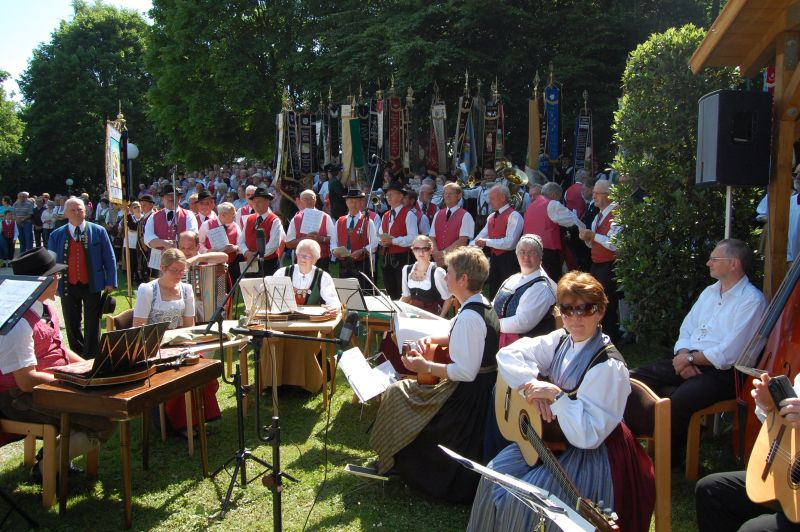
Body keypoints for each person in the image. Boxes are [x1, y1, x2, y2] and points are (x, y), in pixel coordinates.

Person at [467, 270, 655, 531]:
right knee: (493, 475)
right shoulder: (561, 340)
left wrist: (555, 396)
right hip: (551, 439)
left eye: (585, 309)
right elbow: (508, 354)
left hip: (593, 454)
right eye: (567, 310)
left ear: (600, 312)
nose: (575, 317)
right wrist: (530, 386)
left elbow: (588, 434)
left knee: (522, 501)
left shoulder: (608, 366)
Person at [368, 246, 500, 503]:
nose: (444, 276)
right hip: (467, 389)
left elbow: (465, 372)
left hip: (468, 399)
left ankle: (397, 459)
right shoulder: (477, 304)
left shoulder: (472, 316)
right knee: (398, 391)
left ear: (463, 279)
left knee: (399, 394)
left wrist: (424, 367)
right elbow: (452, 330)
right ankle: (393, 456)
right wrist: (427, 340)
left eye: (448, 272)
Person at [630, 238, 767, 465]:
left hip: (724, 374)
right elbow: (687, 329)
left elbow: (729, 353)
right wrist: (684, 356)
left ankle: (668, 461)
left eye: (714, 259)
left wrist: (689, 358)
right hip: (689, 358)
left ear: (733, 264)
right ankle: (634, 443)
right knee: (630, 379)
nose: (708, 263)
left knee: (677, 403)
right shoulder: (710, 292)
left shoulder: (751, 301)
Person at [0, 247, 115, 480]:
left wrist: (93, 368)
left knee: (108, 407)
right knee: (104, 420)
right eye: (56, 276)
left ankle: (55, 457)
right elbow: (26, 381)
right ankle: (45, 471)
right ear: (42, 281)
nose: (59, 279)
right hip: (18, 398)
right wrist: (73, 381)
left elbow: (60, 349)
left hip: (52, 385)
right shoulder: (18, 323)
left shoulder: (45, 308)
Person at [132, 248, 221, 436]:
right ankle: (179, 423)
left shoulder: (186, 289)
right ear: (163, 268)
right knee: (178, 370)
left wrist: (188, 346)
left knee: (201, 364)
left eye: (183, 271)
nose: (179, 275)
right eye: (175, 270)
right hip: (153, 345)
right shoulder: (148, 290)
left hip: (178, 342)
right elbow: (138, 328)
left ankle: (197, 417)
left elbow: (189, 326)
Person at [695, 373, 800, 532]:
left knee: (751, 530)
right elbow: (789, 423)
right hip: (790, 483)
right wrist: (770, 406)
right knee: (711, 490)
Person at [265, 239, 340, 392]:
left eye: (306, 256)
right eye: (299, 255)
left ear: (315, 258)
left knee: (301, 342)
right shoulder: (282, 272)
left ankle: (303, 386)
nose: (302, 259)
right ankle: (274, 383)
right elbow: (268, 293)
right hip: (284, 321)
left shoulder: (322, 276)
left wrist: (333, 308)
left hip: (310, 325)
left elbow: (334, 302)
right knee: (271, 339)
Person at [47, 197, 117, 358]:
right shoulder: (56, 234)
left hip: (92, 283)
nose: (77, 212)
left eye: (80, 209)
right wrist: (52, 284)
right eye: (73, 210)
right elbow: (50, 262)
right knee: (72, 322)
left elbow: (109, 257)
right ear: (65, 213)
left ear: (86, 211)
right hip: (67, 284)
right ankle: (77, 354)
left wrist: (110, 281)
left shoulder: (98, 231)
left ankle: (92, 354)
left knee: (93, 320)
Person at [492, 234, 557, 348]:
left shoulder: (541, 287)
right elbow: (494, 304)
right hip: (499, 337)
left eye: (532, 253)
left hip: (526, 348)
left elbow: (523, 323)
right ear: (516, 255)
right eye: (522, 252)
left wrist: (490, 323)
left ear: (540, 256)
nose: (526, 257)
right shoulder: (512, 279)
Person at [579, 178, 622, 341]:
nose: (594, 196)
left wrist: (593, 236)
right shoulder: (599, 216)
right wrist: (588, 239)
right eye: (594, 192)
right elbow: (595, 244)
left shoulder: (616, 213)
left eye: (598, 193)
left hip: (609, 264)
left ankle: (610, 335)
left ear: (609, 195)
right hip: (597, 263)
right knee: (595, 298)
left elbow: (614, 243)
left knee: (606, 301)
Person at [523, 182, 582, 282]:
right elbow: (573, 221)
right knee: (551, 283)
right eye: (559, 197)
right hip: (547, 252)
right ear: (555, 195)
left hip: (529, 250)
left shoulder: (530, 207)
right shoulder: (552, 204)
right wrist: (585, 229)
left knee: (535, 282)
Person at [470, 184, 523, 295]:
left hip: (509, 260)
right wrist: (467, 248)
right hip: (495, 259)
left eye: (492, 198)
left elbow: (510, 243)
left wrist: (486, 242)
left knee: (509, 292)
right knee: (494, 291)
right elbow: (480, 236)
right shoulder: (491, 217)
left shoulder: (514, 215)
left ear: (503, 198)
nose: (489, 201)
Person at [144, 185, 198, 275]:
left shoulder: (189, 215)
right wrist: (164, 243)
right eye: (167, 196)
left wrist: (175, 246)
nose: (171, 198)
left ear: (179, 198)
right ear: (162, 198)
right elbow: (148, 239)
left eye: (174, 196)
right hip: (159, 262)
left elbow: (192, 236)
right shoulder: (153, 217)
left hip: (182, 261)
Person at [379, 181, 418, 299]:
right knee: (390, 288)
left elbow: (413, 238)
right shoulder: (386, 215)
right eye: (387, 194)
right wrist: (382, 240)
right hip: (387, 258)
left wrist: (394, 241)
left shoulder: (409, 214)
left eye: (391, 194)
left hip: (402, 258)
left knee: (403, 290)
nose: (388, 197)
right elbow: (381, 233)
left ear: (401, 196)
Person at [332, 188, 378, 288]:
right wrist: (334, 250)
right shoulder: (340, 221)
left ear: (361, 203)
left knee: (363, 291)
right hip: (344, 263)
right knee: (345, 291)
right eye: (351, 201)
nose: (353, 204)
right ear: (346, 202)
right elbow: (333, 241)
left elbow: (374, 243)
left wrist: (362, 250)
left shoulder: (368, 221)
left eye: (356, 201)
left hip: (361, 263)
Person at [236, 187, 285, 276]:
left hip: (268, 264)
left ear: (267, 202)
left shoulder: (275, 220)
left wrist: (255, 256)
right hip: (251, 263)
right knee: (250, 288)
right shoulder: (249, 219)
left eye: (259, 201)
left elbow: (274, 244)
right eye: (254, 201)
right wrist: (246, 252)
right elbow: (241, 240)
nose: (256, 204)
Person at [285, 189, 336, 272]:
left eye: (311, 198)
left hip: (321, 258)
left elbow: (333, 239)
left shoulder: (325, 217)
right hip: (302, 259)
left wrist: (321, 239)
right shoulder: (296, 219)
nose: (309, 201)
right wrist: (305, 239)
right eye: (305, 199)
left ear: (315, 199)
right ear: (301, 201)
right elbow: (289, 244)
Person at [400, 235, 451, 316]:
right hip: (413, 317)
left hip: (433, 318)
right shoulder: (407, 270)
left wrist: (441, 318)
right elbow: (406, 296)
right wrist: (396, 309)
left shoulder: (437, 272)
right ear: (412, 250)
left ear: (431, 250)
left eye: (425, 249)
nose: (421, 253)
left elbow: (448, 299)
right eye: (417, 249)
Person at [429, 182, 475, 268]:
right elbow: (432, 237)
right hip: (438, 261)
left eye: (451, 193)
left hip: (456, 262)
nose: (447, 196)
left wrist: (443, 253)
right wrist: (436, 254)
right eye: (445, 193)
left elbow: (462, 241)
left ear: (459, 195)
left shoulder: (466, 215)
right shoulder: (438, 214)